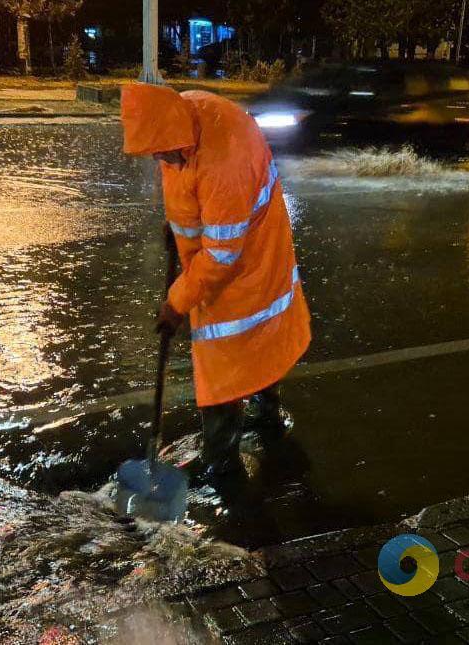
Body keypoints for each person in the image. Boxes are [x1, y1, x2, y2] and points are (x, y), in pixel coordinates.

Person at [120, 82, 311, 490]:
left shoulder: (224, 163)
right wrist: (177, 227)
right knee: (253, 343)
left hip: (248, 261)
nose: (158, 158)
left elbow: (223, 255)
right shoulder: (182, 115)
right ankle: (267, 415)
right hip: (228, 248)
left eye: (160, 151)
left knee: (228, 354)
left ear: (177, 136)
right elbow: (185, 183)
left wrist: (176, 302)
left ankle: (222, 466)